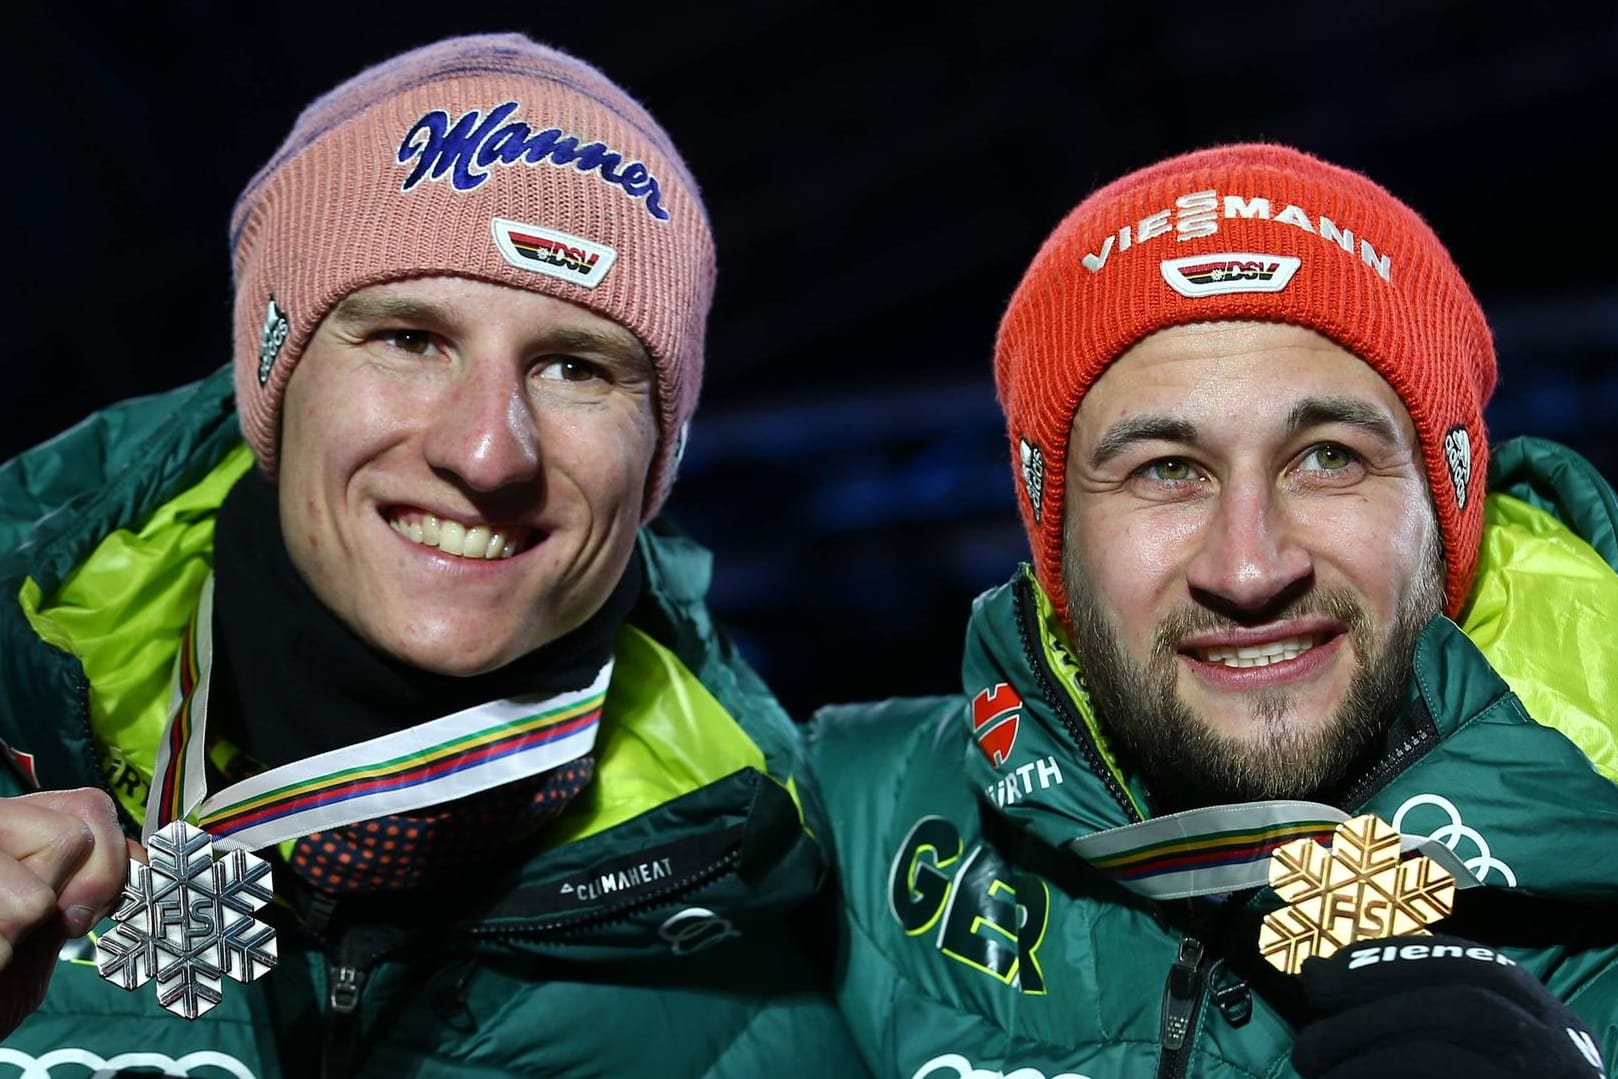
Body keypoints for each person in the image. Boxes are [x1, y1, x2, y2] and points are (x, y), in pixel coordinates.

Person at [0, 32, 870, 1078]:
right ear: (273, 376)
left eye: (574, 365)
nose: (487, 449)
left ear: (659, 454)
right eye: (411, 339)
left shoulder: (783, 970)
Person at [806, 142, 1618, 1078]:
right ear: (1053, 535)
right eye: (1165, 470)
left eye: (1329, 457)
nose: (1248, 565)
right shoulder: (842, 825)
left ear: (1451, 503)